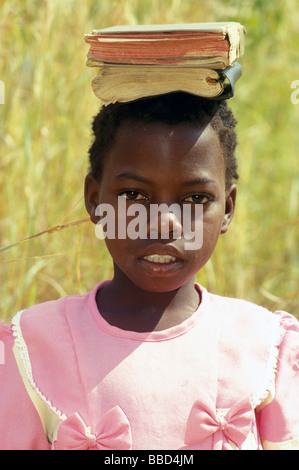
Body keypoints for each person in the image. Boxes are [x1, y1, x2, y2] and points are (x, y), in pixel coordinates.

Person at [0, 92, 298, 450]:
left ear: (228, 209)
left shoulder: (266, 346)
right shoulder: (34, 344)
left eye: (196, 199)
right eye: (134, 195)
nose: (163, 224)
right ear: (95, 200)